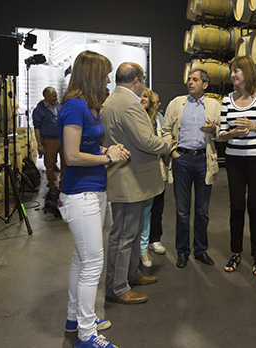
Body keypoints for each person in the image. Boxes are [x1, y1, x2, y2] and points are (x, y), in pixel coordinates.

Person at [57, 50, 130, 348]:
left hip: (93, 191)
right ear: (91, 76)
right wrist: (106, 156)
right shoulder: (75, 106)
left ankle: (76, 318)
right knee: (91, 265)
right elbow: (71, 156)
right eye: (104, 75)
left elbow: (86, 148)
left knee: (81, 259)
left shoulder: (88, 106)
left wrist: (106, 153)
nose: (108, 80)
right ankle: (87, 335)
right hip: (80, 194)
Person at [101, 63, 173, 304]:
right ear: (138, 80)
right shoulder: (129, 103)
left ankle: (131, 274)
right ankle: (118, 287)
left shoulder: (112, 100)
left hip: (127, 176)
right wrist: (168, 142)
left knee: (128, 233)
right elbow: (147, 142)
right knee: (123, 236)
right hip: (130, 179)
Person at [219, 56, 256, 276]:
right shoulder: (227, 100)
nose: (233, 74)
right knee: (236, 206)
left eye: (237, 71)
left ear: (248, 72)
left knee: (255, 206)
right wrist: (233, 133)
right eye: (232, 71)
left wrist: (255, 127)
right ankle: (235, 252)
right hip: (234, 159)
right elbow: (222, 134)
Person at [162, 68, 221, 268]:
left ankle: (200, 250)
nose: (190, 82)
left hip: (204, 160)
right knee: (182, 211)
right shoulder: (176, 103)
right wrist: (172, 152)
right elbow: (165, 130)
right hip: (182, 159)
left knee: (202, 211)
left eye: (195, 79)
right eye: (189, 79)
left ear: (205, 85)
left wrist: (215, 130)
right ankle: (182, 251)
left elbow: (222, 132)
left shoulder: (214, 105)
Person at [138, 87, 165, 267]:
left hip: (155, 166)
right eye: (141, 95)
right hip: (137, 168)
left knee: (152, 208)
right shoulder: (133, 116)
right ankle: (139, 248)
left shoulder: (157, 119)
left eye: (146, 96)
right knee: (138, 212)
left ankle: (147, 244)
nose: (143, 99)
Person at [32, 86, 65, 188]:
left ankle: (63, 183)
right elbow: (36, 128)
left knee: (65, 162)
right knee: (50, 164)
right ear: (46, 97)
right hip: (49, 139)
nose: (56, 98)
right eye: (53, 96)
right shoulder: (39, 110)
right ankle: (52, 184)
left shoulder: (59, 106)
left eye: (56, 95)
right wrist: (40, 144)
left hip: (62, 138)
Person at [148, 91, 168, 255]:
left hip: (159, 166)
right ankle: (141, 243)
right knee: (144, 207)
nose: (157, 105)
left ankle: (155, 239)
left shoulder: (160, 118)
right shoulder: (140, 118)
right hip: (144, 168)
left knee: (157, 206)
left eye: (158, 103)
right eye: (155, 102)